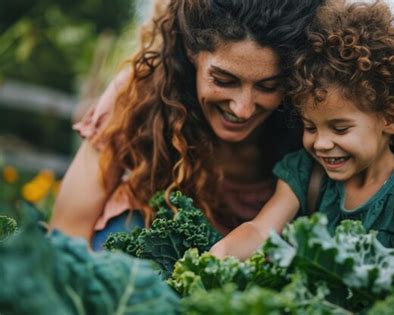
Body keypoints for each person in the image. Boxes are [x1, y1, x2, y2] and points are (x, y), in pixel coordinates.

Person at [210, 0, 394, 271]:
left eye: (340, 128)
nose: (321, 144)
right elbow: (260, 230)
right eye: (310, 127)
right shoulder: (305, 174)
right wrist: (218, 256)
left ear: (391, 119)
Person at [49, 0, 325, 250]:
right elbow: (68, 230)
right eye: (224, 80)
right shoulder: (139, 94)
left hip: (260, 260)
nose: (243, 109)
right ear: (193, 51)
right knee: (125, 231)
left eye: (268, 86)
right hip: (152, 248)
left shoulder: (312, 115)